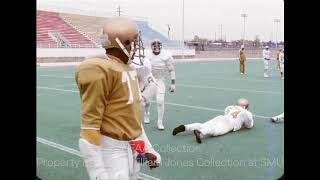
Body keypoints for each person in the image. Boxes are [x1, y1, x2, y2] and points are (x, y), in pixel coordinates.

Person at [75, 17, 160, 180]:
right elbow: (89, 129)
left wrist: (146, 150)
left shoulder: (128, 69)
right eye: (134, 41)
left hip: (134, 145)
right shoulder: (99, 69)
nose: (137, 46)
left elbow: (132, 120)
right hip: (112, 147)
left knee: (134, 175)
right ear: (123, 43)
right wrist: (98, 173)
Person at [172, 98, 254, 144]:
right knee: (215, 130)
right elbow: (249, 125)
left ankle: (185, 127)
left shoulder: (231, 107)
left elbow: (226, 111)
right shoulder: (245, 112)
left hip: (220, 117)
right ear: (245, 106)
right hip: (230, 124)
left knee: (203, 125)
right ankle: (201, 133)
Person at [145, 39, 176, 130]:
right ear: (151, 47)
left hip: (159, 80)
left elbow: (171, 70)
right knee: (147, 101)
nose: (156, 47)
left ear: (161, 47)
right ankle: (146, 114)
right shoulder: (147, 55)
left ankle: (160, 122)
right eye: (154, 46)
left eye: (158, 46)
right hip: (149, 80)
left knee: (160, 101)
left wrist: (173, 83)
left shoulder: (166, 56)